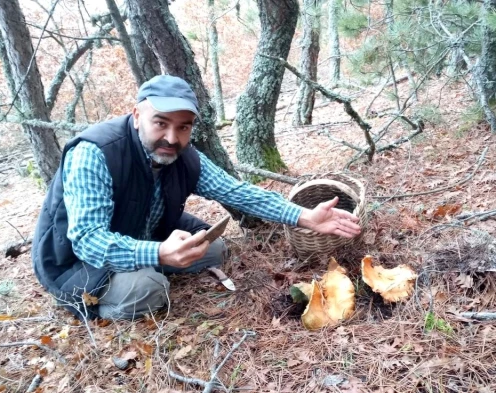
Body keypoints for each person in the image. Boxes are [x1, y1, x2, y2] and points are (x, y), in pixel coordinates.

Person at [32, 75, 361, 321]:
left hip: (144, 232)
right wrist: (159, 253)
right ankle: (96, 304)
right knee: (150, 288)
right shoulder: (96, 154)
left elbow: (237, 192)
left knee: (213, 248)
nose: (171, 138)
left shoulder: (183, 156)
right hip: (75, 262)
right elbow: (88, 241)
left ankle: (155, 266)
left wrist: (304, 216)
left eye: (183, 127)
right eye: (160, 123)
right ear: (136, 116)